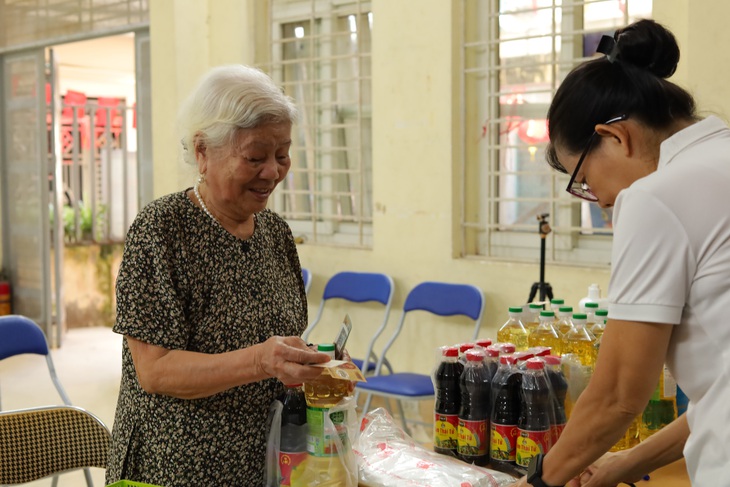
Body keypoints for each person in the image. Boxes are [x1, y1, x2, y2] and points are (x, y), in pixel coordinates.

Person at [510, 19, 730, 487]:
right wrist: (622, 464)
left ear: (615, 137)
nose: (602, 201)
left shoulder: (657, 196)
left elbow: (617, 395)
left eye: (585, 181)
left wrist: (539, 481)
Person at [106, 65, 332, 486]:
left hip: (264, 461)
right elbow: (155, 372)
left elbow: (278, 338)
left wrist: (314, 364)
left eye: (282, 154)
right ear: (202, 152)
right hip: (176, 467)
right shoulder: (161, 231)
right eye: (255, 157)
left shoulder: (274, 232)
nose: (273, 171)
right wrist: (262, 360)